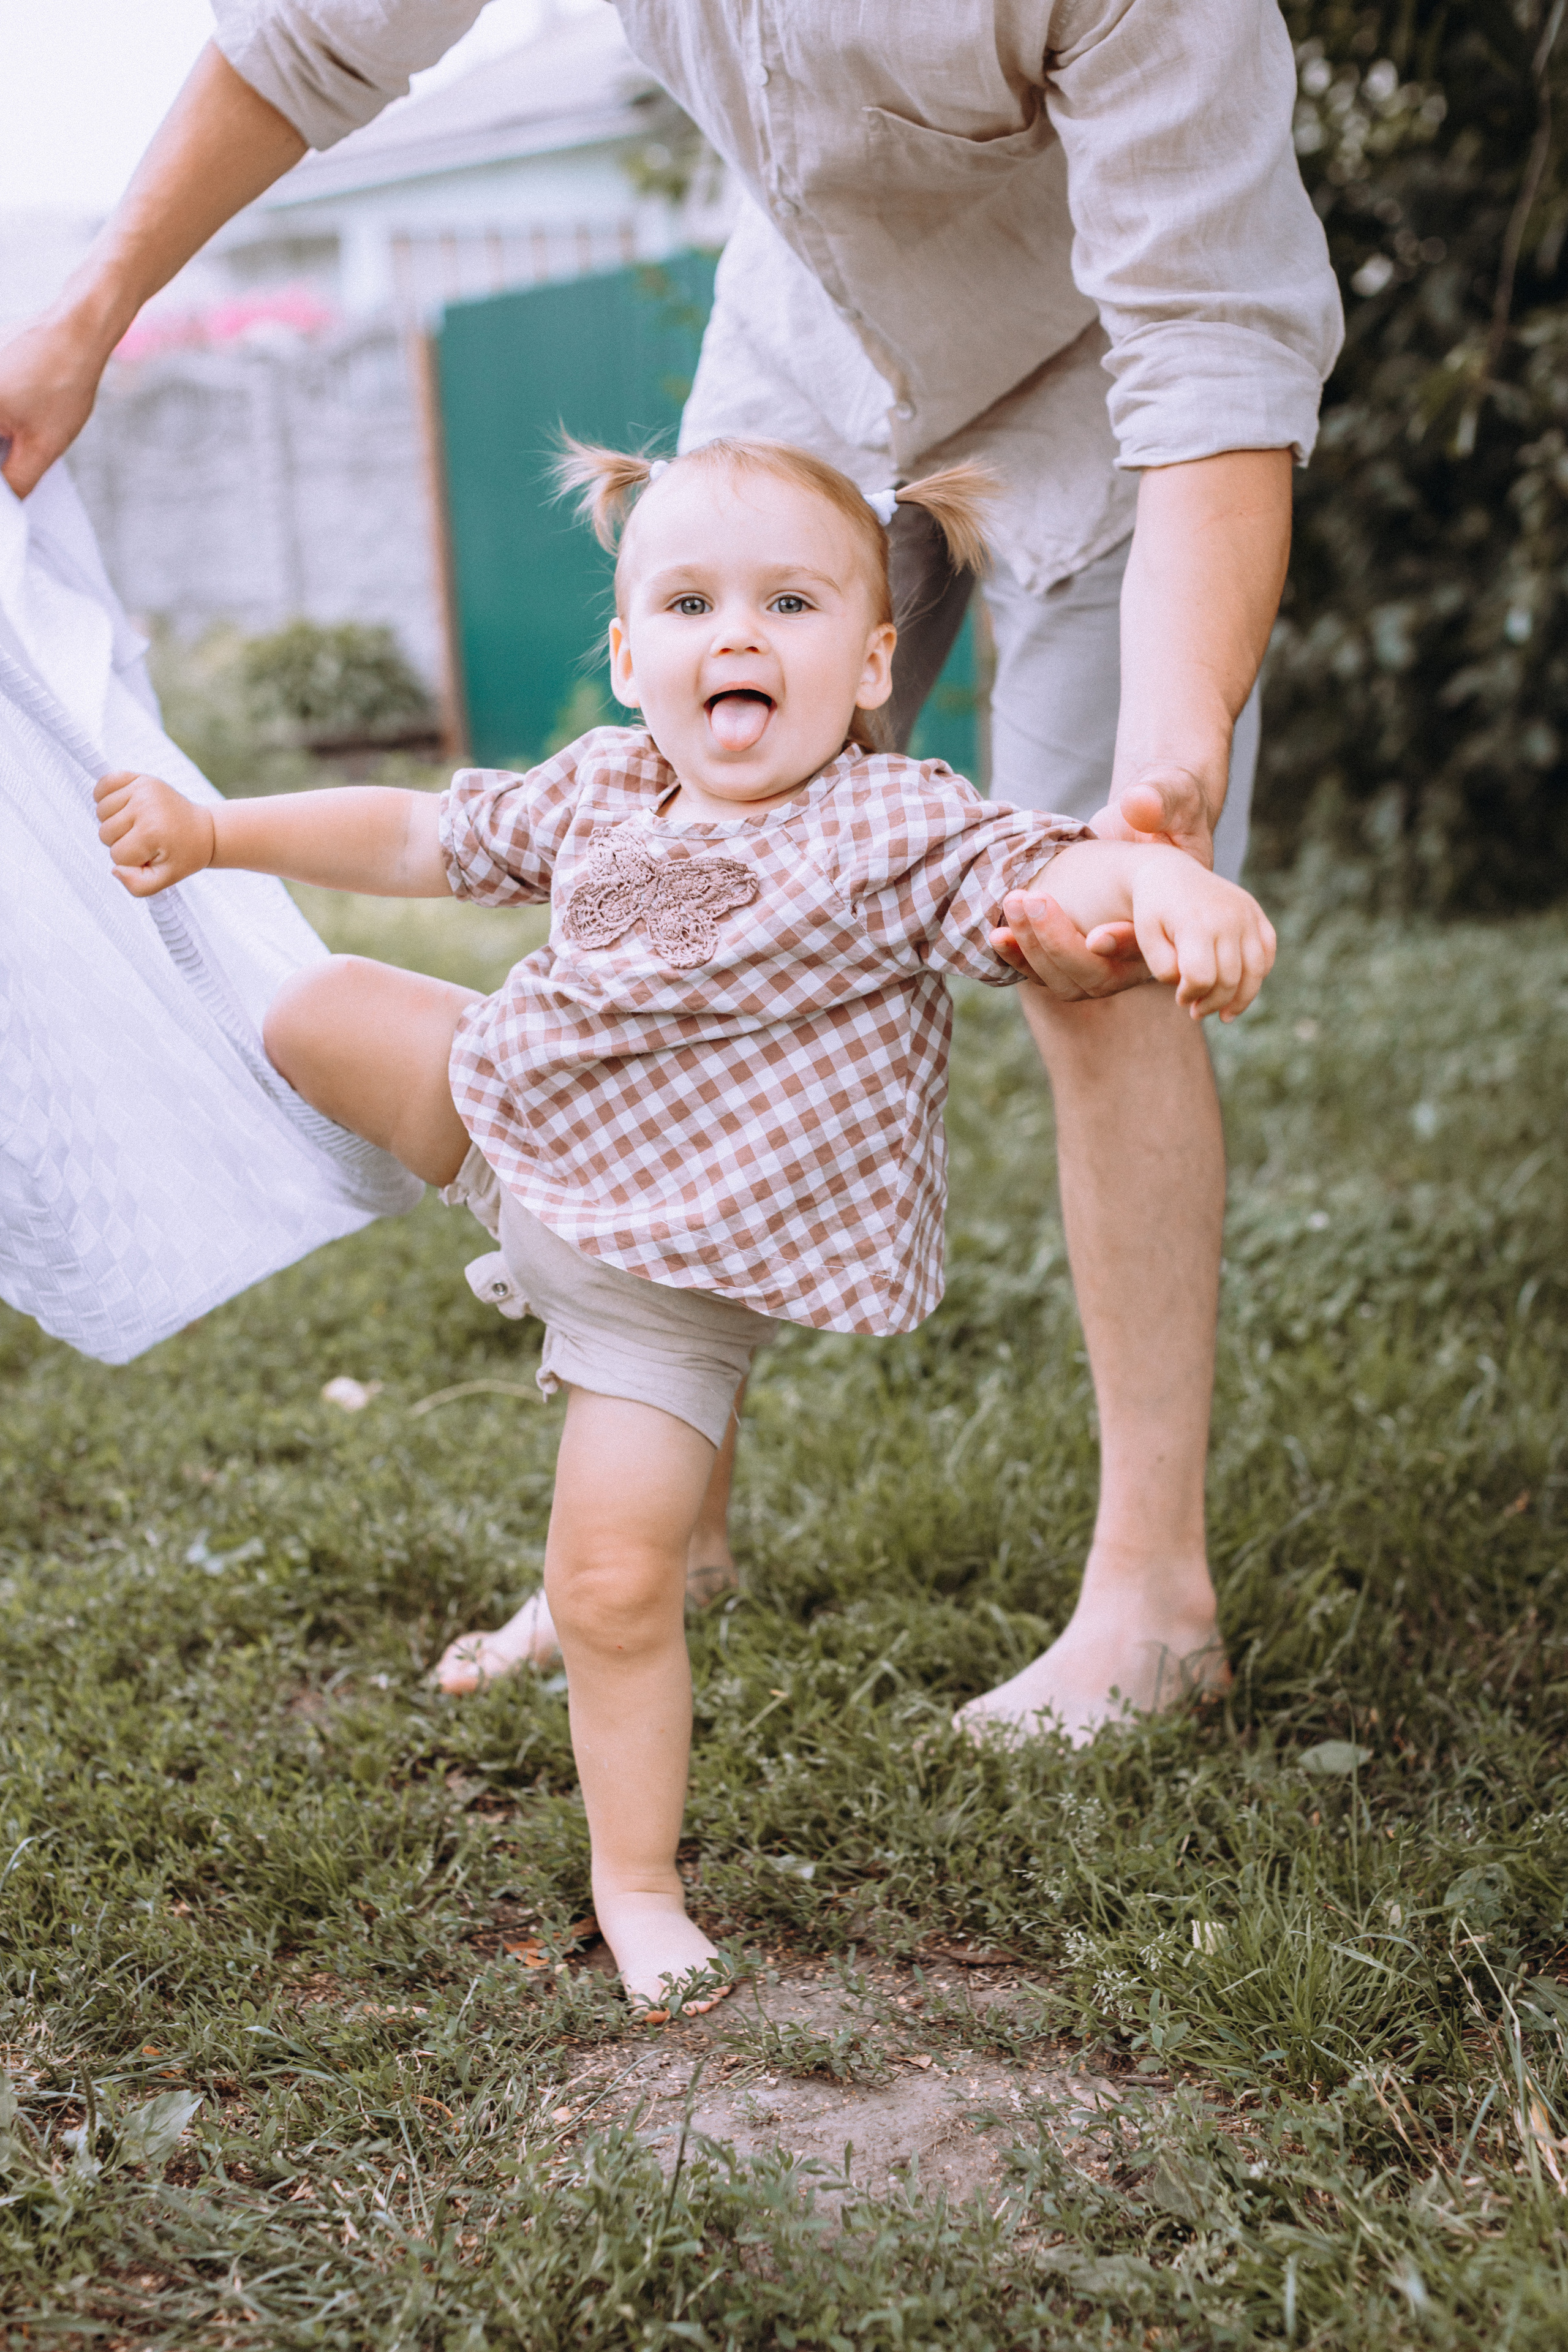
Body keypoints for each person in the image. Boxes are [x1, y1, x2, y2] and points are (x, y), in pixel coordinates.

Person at [0, 1, 1342, 1741]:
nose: (725, 640)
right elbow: (325, 35)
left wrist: (1154, 796)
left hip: (1115, 362)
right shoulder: (622, 738)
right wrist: (93, 307)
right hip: (819, 319)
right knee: (677, 835)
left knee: (1099, 952)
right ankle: (662, 1517)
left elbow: (1213, 359)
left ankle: (1151, 1595)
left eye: (782, 623)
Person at [92, 436, 1276, 2013]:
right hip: (521, 1136)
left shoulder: (888, 828)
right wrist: (219, 831)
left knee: (606, 1586)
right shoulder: (601, 786)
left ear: (868, 664)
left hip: (666, 1294)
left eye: (787, 604)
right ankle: (487, 1215)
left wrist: (1150, 887)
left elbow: (1046, 873)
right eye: (692, 601)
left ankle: (634, 1885)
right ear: (628, 654)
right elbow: (416, 837)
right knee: (311, 1009)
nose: (736, 635)